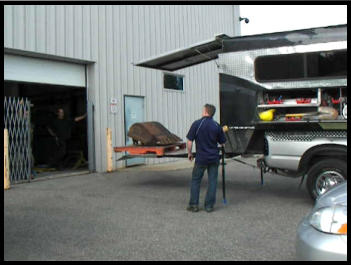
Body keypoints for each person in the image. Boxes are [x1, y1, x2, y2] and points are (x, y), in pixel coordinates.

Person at [186, 104, 226, 213]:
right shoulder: (217, 126)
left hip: (201, 158)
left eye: (203, 110)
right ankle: (209, 206)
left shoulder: (197, 124)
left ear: (205, 112)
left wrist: (189, 153)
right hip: (214, 158)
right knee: (212, 181)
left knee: (196, 180)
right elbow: (223, 143)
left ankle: (194, 205)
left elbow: (190, 141)